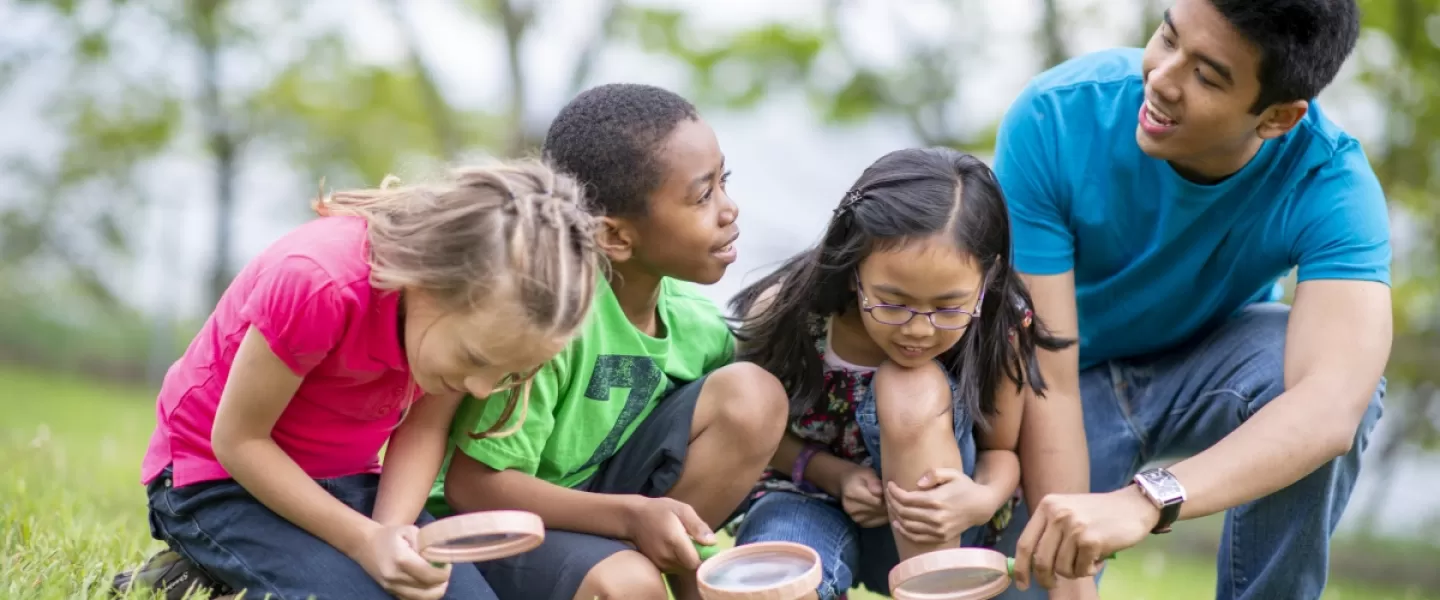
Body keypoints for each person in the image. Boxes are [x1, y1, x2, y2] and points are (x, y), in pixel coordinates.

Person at [987, 1, 1391, 599]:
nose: (1161, 79)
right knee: (1017, 579)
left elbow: (1331, 407)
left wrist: (1149, 499)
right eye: (1167, 38)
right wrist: (1072, 583)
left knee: (1320, 380)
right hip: (1063, 392)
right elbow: (1051, 374)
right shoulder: (1055, 118)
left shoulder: (1330, 183)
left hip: (1200, 374)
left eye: (1206, 75)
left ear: (1278, 117)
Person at [125, 160, 605, 600]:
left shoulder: (472, 327)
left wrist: (389, 536)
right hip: (216, 478)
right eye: (475, 360)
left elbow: (423, 428)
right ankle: (197, 570)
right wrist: (361, 541)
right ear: (429, 281)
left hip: (347, 479)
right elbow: (238, 440)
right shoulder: (317, 283)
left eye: (507, 375)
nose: (481, 388)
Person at [427, 83, 791, 600]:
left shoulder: (697, 326)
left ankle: (689, 581)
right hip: (496, 529)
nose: (729, 210)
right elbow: (473, 487)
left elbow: (758, 435)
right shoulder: (545, 326)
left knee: (753, 394)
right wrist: (632, 515)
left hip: (606, 512)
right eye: (702, 195)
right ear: (615, 237)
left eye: (723, 182)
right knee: (625, 583)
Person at [725, 147, 1075, 600]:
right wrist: (835, 475)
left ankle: (935, 590)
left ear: (987, 280)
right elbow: (749, 430)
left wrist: (979, 499)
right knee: (780, 584)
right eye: (892, 302)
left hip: (937, 525)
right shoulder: (787, 315)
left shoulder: (998, 326)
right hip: (805, 497)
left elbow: (1001, 452)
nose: (918, 329)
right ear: (854, 269)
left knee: (910, 385)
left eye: (948, 307)